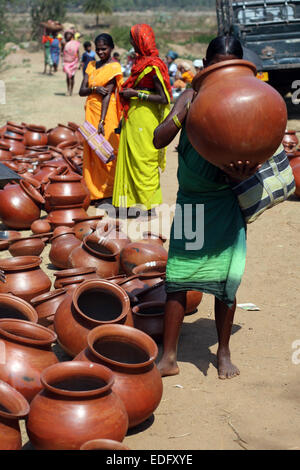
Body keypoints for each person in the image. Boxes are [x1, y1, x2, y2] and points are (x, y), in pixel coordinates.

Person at [153, 35, 261, 380]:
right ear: (206, 64)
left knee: (227, 279)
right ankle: (168, 356)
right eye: (215, 65)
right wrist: (183, 112)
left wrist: (241, 172)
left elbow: (257, 150)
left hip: (225, 201)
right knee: (178, 278)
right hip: (192, 204)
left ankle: (223, 350)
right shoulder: (190, 96)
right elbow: (159, 138)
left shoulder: (248, 100)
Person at [112, 23, 172, 217]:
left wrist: (136, 94)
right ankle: (130, 203)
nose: (130, 41)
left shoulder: (153, 66)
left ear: (140, 41)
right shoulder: (139, 63)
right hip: (133, 118)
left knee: (144, 160)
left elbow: (164, 98)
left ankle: (149, 205)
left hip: (145, 119)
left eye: (132, 38)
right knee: (130, 159)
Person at [79, 33, 123, 207]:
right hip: (91, 113)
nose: (100, 52)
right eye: (98, 49)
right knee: (92, 151)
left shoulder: (114, 67)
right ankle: (95, 192)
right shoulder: (91, 65)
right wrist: (95, 88)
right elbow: (82, 90)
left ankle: (109, 193)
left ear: (111, 48)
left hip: (107, 115)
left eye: (104, 49)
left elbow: (108, 95)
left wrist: (102, 122)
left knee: (107, 150)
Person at [62, 30, 81, 96]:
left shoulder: (76, 43)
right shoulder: (64, 43)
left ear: (72, 36)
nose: (68, 36)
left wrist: (79, 62)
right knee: (67, 76)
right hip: (66, 62)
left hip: (74, 62)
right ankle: (68, 89)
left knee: (72, 77)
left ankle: (71, 91)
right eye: (66, 35)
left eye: (69, 34)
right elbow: (62, 52)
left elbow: (78, 52)